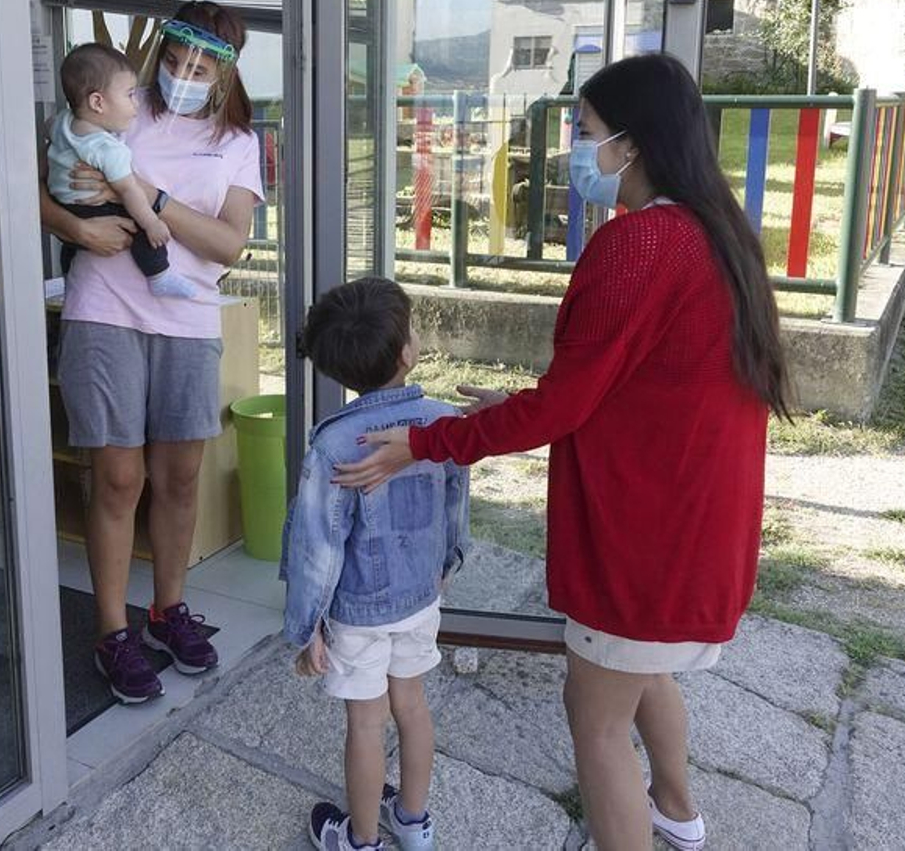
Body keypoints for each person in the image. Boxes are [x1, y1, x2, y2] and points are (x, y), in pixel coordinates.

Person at [336, 53, 791, 851]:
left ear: (633, 142)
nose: (578, 153)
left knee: (597, 721)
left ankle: (654, 824)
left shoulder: (640, 247)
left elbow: (565, 406)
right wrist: (510, 408)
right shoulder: (719, 234)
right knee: (646, 670)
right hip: (697, 526)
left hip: (645, 538)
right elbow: (621, 385)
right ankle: (678, 814)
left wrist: (424, 443)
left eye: (584, 133)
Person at [39, 1, 264, 704]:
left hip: (188, 319)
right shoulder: (121, 107)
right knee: (114, 476)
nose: (183, 75)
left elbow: (229, 244)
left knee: (179, 476)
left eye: (200, 67)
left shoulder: (237, 142)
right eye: (173, 60)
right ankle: (113, 629)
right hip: (103, 310)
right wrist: (77, 229)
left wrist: (151, 198)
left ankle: (168, 609)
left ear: (226, 71)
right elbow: (31, 187)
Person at [283, 277, 468, 851]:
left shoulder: (334, 445)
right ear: (408, 352)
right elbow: (456, 503)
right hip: (420, 599)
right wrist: (447, 562)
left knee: (366, 723)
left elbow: (317, 547)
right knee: (411, 707)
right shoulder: (443, 422)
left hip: (358, 613)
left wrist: (306, 627)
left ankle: (361, 840)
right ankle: (413, 824)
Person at [48, 42, 196, 299]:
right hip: (92, 206)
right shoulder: (108, 148)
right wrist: (152, 223)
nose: (135, 104)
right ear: (98, 102)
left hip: (63, 204)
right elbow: (129, 191)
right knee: (137, 224)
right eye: (129, 95)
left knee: (71, 246)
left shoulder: (62, 121)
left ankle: (68, 274)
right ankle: (159, 275)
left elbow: (46, 131)